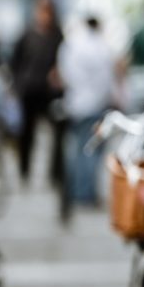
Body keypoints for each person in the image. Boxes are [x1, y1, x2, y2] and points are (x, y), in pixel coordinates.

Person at [56, 13, 119, 221]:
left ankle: (78, 192)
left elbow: (64, 73)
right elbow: (108, 78)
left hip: (76, 104)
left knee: (78, 149)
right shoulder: (102, 47)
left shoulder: (72, 45)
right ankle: (87, 194)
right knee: (92, 150)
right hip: (95, 105)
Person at [9, 0, 64, 187]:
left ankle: (55, 174)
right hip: (29, 89)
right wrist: (16, 85)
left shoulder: (57, 35)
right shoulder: (27, 34)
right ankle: (24, 170)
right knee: (27, 133)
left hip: (49, 91)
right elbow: (15, 62)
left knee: (57, 131)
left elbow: (63, 59)